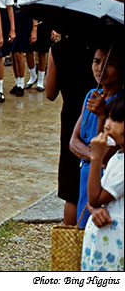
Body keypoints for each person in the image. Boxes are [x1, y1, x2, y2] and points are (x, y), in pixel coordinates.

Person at [46, 32, 97, 225]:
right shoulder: (104, 48)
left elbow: (50, 93)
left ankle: (72, 247)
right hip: (102, 113)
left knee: (72, 190)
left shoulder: (59, 49)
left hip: (71, 117)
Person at [70, 43, 124, 227]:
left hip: (107, 179)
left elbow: (110, 154)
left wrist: (103, 115)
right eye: (96, 61)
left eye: (109, 63)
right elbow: (73, 142)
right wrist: (94, 156)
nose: (100, 68)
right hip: (88, 172)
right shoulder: (91, 96)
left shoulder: (119, 106)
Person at [81, 95, 124, 271]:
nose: (106, 125)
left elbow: (95, 198)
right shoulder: (118, 157)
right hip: (105, 243)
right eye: (107, 118)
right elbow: (95, 200)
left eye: (115, 120)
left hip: (115, 244)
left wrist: (96, 157)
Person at [8, 0, 39, 96]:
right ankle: (17, 81)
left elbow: (35, 9)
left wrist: (34, 29)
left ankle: (21, 83)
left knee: (19, 51)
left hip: (24, 18)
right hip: (12, 18)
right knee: (12, 53)